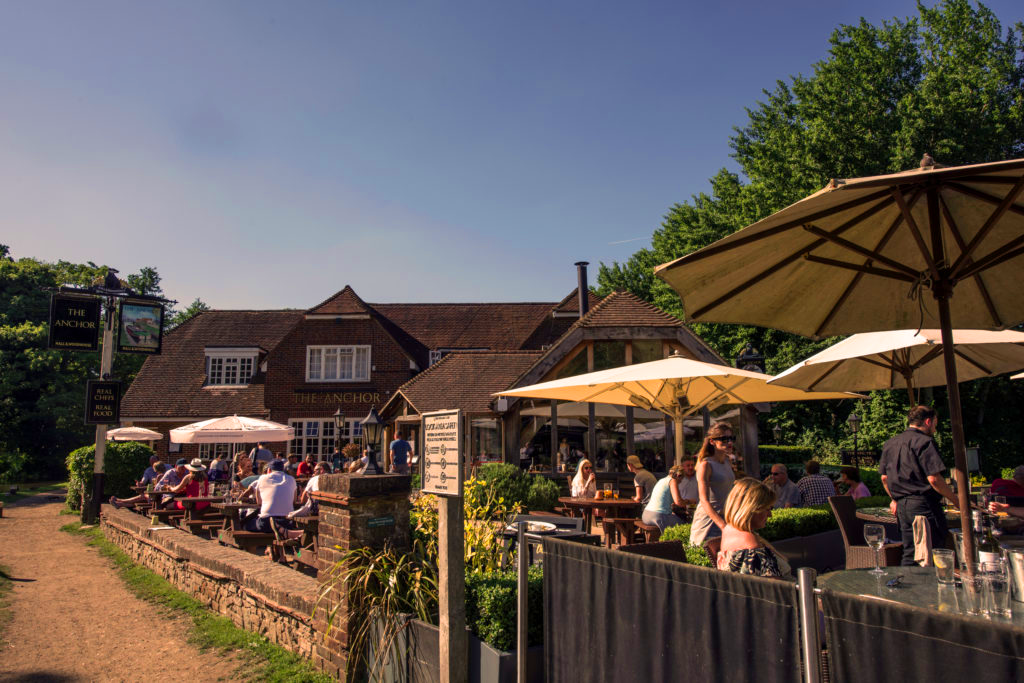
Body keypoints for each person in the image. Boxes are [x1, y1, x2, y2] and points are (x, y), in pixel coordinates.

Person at [879, 405, 958, 567]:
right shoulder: (925, 442)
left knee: (910, 553)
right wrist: (956, 500)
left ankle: (908, 583)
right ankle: (933, 583)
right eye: (935, 424)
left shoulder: (890, 443)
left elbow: (884, 478)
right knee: (934, 551)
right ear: (928, 421)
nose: (935, 429)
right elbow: (934, 479)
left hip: (902, 508)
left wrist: (894, 499)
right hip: (924, 506)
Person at [717, 478, 788, 578]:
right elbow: (773, 584)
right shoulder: (749, 541)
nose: (770, 515)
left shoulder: (730, 530)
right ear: (751, 509)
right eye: (767, 509)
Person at [689, 422, 737, 553]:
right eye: (724, 439)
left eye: (731, 438)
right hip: (709, 522)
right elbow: (704, 500)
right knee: (704, 558)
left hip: (726, 518)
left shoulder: (727, 461)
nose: (729, 442)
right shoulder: (706, 465)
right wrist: (722, 525)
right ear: (712, 441)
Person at [243, 459, 297, 533]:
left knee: (246, 524)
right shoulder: (291, 479)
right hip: (287, 522)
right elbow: (294, 501)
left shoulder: (262, 478)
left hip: (267, 522)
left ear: (269, 470)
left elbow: (259, 503)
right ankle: (280, 532)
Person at [642, 465, 686, 532]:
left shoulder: (661, 480)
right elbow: (678, 502)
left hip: (646, 515)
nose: (680, 482)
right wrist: (688, 503)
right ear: (678, 475)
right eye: (681, 479)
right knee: (685, 523)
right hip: (657, 516)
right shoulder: (673, 481)